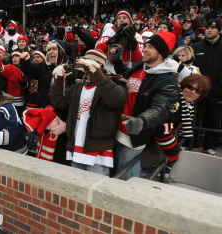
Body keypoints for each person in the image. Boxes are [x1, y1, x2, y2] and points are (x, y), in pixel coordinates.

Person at [112, 31, 180, 180]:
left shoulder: (167, 80)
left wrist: (141, 121)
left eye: (150, 47)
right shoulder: (142, 66)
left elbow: (160, 109)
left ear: (161, 52)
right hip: (117, 129)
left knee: (126, 178)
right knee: (116, 173)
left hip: (133, 135)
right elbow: (128, 78)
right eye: (145, 45)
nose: (145, 49)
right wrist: (117, 62)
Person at [50, 49, 128, 176]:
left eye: (88, 61)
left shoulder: (114, 83)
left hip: (98, 151)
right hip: (76, 146)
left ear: (99, 64)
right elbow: (59, 102)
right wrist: (58, 80)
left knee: (96, 190)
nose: (84, 64)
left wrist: (97, 75)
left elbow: (116, 100)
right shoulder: (78, 85)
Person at [191, 19, 222, 155]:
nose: (209, 30)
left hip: (216, 93)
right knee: (193, 120)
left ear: (219, 30)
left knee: (213, 121)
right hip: (198, 92)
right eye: (208, 27)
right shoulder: (197, 47)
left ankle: (210, 146)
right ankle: (189, 144)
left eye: (213, 28)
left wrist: (218, 88)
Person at [96, 9, 144, 73]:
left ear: (130, 21)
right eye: (119, 18)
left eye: (124, 18)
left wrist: (133, 44)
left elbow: (137, 59)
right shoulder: (109, 31)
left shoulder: (136, 36)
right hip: (108, 67)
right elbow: (97, 49)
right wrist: (110, 41)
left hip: (126, 68)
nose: (121, 20)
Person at [0, 48, 27, 114]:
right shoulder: (11, 68)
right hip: (12, 101)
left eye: (17, 56)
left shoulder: (26, 67)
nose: (14, 59)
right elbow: (1, 68)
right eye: (13, 57)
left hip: (23, 101)